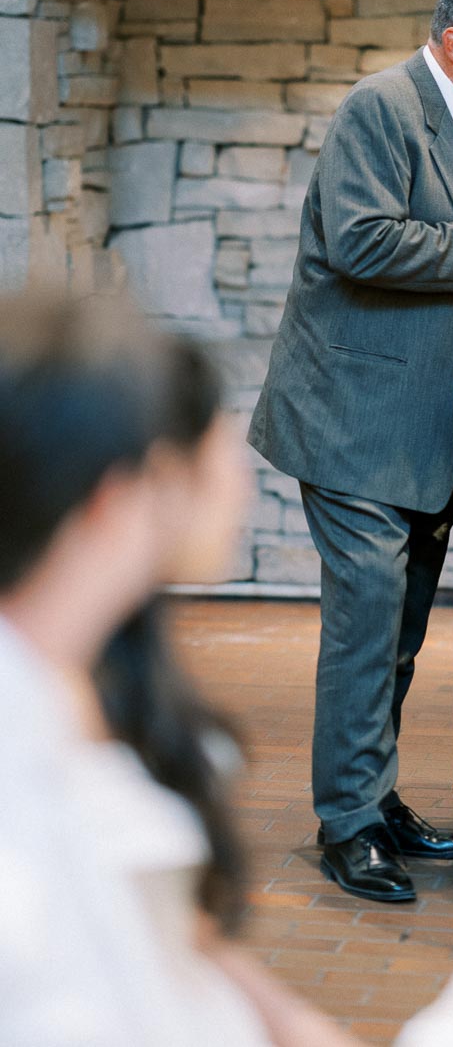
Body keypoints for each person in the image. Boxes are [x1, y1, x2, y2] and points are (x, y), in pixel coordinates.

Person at [248, 0, 453, 903]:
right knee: (366, 627)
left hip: (426, 435)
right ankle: (346, 824)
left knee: (403, 633)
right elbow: (361, 241)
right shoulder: (381, 108)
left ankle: (373, 799)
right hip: (355, 423)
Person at [0, 290, 357, 1047]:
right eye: (206, 444)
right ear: (124, 493)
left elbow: (174, 935)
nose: (239, 471)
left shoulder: (100, 657)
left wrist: (289, 1021)